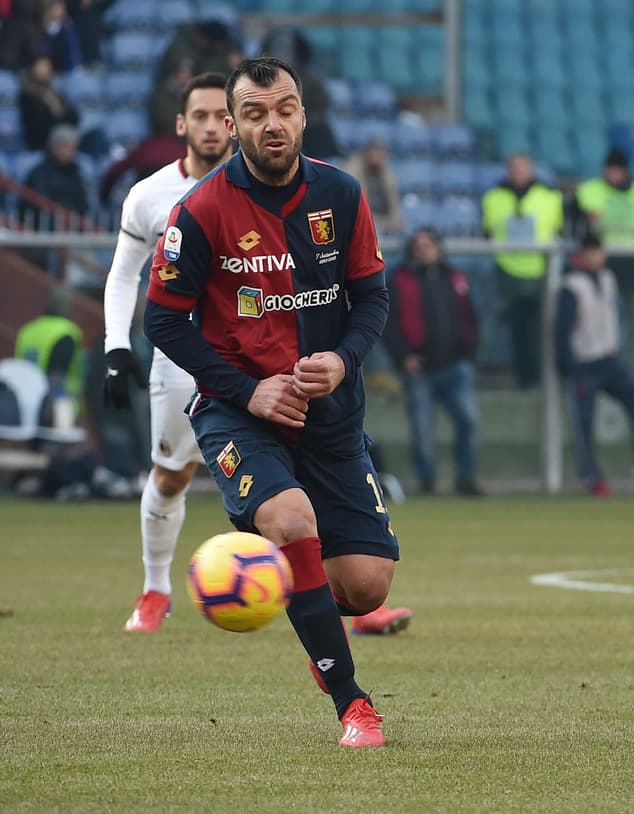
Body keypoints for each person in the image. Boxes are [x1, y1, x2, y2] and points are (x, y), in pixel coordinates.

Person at [144, 57, 410, 748]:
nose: (273, 124)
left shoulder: (342, 195)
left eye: (285, 109)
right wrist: (247, 389)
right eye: (256, 113)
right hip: (239, 412)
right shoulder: (200, 211)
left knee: (366, 588)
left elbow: (372, 297)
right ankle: (354, 705)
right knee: (291, 522)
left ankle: (311, 610)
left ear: (302, 114)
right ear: (231, 125)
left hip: (331, 415)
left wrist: (341, 359)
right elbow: (164, 320)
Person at [101, 72, 233, 633]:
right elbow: (122, 275)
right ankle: (156, 589)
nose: (210, 126)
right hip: (178, 357)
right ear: (181, 124)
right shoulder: (149, 195)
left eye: (220, 116)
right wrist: (115, 346)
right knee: (173, 474)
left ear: (237, 122)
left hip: (255, 354)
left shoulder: (262, 185)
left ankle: (350, 605)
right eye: (198, 116)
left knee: (302, 475)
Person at [555, 233, 634, 496]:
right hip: (584, 364)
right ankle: (592, 478)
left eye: (598, 252)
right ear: (581, 255)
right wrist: (569, 367)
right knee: (584, 424)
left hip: (608, 360)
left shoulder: (608, 278)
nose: (595, 257)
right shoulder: (571, 285)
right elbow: (561, 330)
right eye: (589, 252)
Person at [384, 228, 482, 496]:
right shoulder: (399, 279)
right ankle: (427, 480)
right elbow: (388, 323)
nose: (424, 250)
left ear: (438, 247)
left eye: (429, 244)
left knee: (467, 421)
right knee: (422, 428)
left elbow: (471, 317)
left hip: (455, 364)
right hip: (420, 368)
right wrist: (403, 357)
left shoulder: (456, 277)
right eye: (419, 245)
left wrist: (468, 353)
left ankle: (466, 478)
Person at [574, 148, 634, 373]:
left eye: (616, 170)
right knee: (603, 320)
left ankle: (633, 370)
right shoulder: (589, 192)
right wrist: (585, 220)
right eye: (609, 170)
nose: (611, 175)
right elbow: (571, 223)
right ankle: (604, 367)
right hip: (603, 264)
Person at [481, 152, 563, 390]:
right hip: (508, 269)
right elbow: (488, 230)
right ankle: (523, 378)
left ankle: (541, 378)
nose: (518, 173)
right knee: (517, 328)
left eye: (523, 168)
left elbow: (557, 230)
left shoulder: (549, 196)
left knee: (540, 329)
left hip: (540, 270)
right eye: (514, 169)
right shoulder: (494, 197)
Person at [19, 123, 88, 230]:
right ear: (53, 146)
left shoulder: (76, 172)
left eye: (71, 147)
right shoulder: (39, 172)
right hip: (42, 229)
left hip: (71, 228)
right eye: (64, 146)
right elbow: (40, 203)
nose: (68, 151)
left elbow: (83, 203)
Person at [18, 55, 79, 152]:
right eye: (42, 66)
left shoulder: (54, 93)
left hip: (60, 137)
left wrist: (60, 116)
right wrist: (61, 117)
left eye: (47, 66)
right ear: (32, 68)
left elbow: (74, 117)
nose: (46, 69)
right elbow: (39, 124)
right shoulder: (27, 96)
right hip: (39, 144)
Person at [343, 139, 403, 236]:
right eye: (375, 152)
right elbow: (355, 206)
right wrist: (379, 222)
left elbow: (394, 202)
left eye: (382, 154)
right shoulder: (352, 169)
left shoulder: (385, 170)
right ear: (366, 153)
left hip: (381, 220)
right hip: (359, 220)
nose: (378, 157)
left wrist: (394, 220)